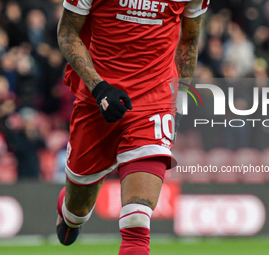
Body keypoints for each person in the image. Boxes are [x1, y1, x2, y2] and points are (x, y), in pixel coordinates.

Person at [55, 0, 208, 254]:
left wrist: (178, 100)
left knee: (137, 220)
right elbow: (67, 32)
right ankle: (69, 212)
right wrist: (99, 88)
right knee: (77, 212)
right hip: (97, 100)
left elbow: (189, 39)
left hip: (154, 100)